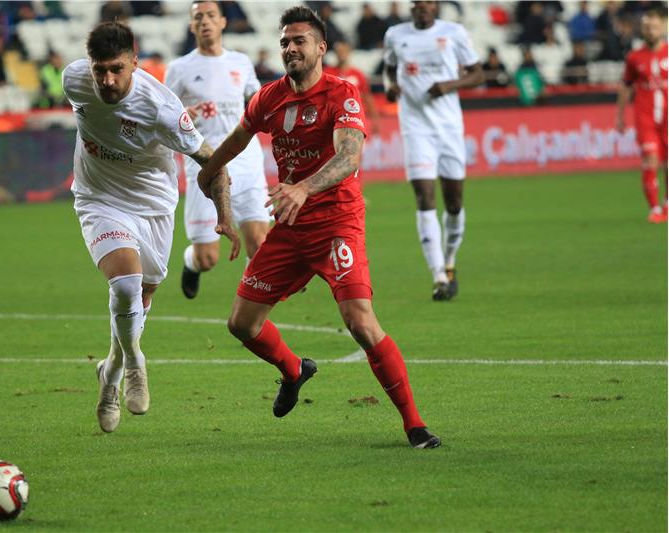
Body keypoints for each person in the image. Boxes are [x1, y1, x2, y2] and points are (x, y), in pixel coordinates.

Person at [198, 5, 441, 449]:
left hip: (336, 224)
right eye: (285, 42)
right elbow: (236, 140)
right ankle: (293, 371)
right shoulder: (269, 97)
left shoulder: (341, 95)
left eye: (299, 41)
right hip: (291, 226)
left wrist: (304, 187)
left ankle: (415, 425)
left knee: (360, 321)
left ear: (321, 48)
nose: (290, 48)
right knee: (241, 323)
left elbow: (349, 157)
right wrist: (207, 173)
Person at [62, 21, 239, 433]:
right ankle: (136, 363)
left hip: (153, 206)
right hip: (98, 199)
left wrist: (224, 217)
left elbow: (212, 163)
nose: (106, 80)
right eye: (99, 69)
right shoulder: (74, 80)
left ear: (135, 63)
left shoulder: (160, 108)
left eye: (116, 70)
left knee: (143, 292)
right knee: (125, 283)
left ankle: (110, 373)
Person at [165, 1, 270, 300]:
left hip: (246, 158)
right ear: (191, 26)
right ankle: (191, 263)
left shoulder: (240, 62)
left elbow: (256, 102)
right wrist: (185, 114)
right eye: (199, 17)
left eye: (211, 16)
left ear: (223, 22)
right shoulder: (179, 69)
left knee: (259, 245)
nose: (205, 22)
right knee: (208, 257)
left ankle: (252, 312)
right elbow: (163, 115)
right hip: (206, 164)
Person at [383, 1, 483, 301]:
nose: (422, 7)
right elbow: (389, 69)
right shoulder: (395, 35)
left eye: (427, 2)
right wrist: (391, 86)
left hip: (449, 128)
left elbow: (478, 74)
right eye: (416, 3)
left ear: (435, 6)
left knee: (454, 202)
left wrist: (449, 84)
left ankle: (450, 260)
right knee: (424, 196)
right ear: (411, 7)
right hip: (415, 127)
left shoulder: (454, 32)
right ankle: (438, 274)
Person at [616, 10, 668, 223]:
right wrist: (620, 116)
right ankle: (654, 208)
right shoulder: (634, 57)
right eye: (647, 27)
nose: (651, 31)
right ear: (642, 30)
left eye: (654, 27)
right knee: (651, 160)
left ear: (662, 28)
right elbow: (626, 86)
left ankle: (666, 203)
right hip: (645, 117)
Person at [324, 41, 381, 134]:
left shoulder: (358, 74)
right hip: (333, 120)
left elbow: (367, 97)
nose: (341, 54)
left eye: (344, 51)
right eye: (339, 52)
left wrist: (375, 120)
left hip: (354, 120)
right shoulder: (328, 74)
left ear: (349, 52)